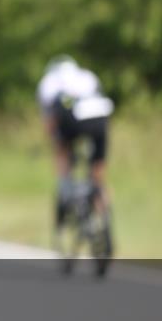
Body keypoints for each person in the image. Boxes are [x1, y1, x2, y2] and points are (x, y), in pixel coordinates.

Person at [36, 55, 114, 229]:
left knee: (61, 148)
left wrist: (54, 141)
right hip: (100, 117)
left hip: (71, 116)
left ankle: (65, 188)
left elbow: (50, 121)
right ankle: (102, 215)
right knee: (98, 169)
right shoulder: (87, 76)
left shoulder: (48, 82)